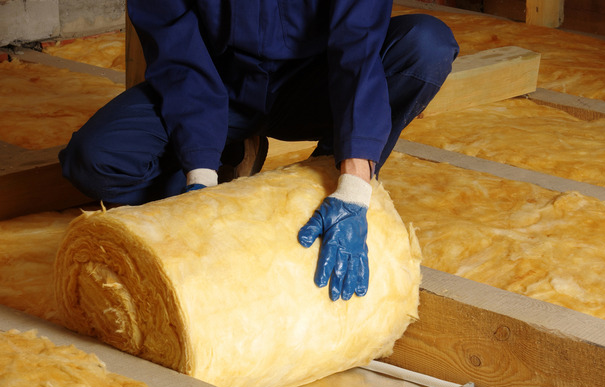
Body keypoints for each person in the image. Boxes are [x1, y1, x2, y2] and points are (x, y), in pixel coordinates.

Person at [59, 1, 459, 302]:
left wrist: (354, 187)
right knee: (94, 159)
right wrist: (200, 174)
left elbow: (356, 46)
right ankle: (230, 156)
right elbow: (179, 58)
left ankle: (320, 181)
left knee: (425, 46)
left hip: (315, 84)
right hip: (219, 86)